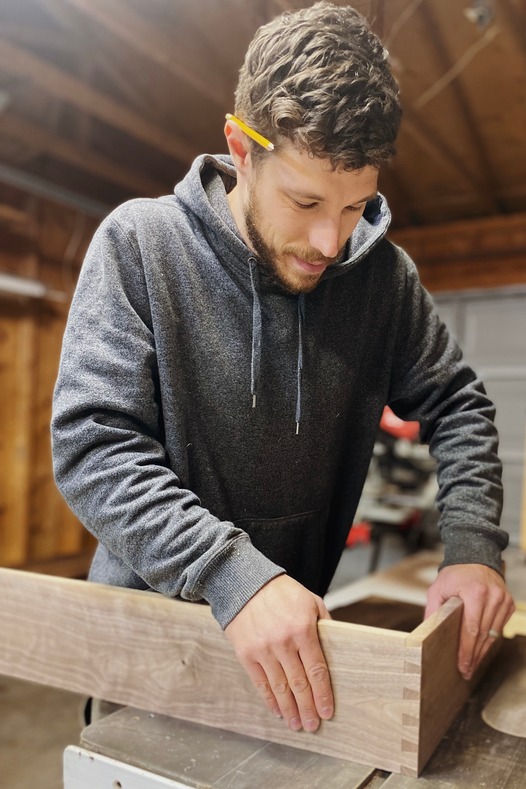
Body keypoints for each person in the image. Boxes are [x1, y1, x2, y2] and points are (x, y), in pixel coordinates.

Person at [51, 1, 514, 735]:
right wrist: (231, 572)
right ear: (241, 147)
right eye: (305, 200)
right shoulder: (140, 246)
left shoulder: (382, 279)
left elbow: (458, 402)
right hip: (147, 658)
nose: (330, 240)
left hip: (295, 661)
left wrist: (473, 547)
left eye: (356, 205)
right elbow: (93, 448)